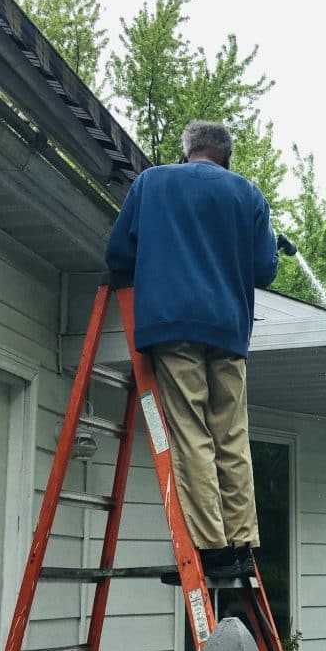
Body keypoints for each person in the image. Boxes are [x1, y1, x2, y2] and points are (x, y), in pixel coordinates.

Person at [105, 120, 279, 578]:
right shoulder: (248, 194)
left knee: (191, 432)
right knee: (230, 434)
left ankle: (211, 547)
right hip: (228, 330)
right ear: (226, 155)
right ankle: (241, 543)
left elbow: (119, 255)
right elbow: (264, 270)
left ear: (188, 150)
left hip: (173, 325)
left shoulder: (152, 182)